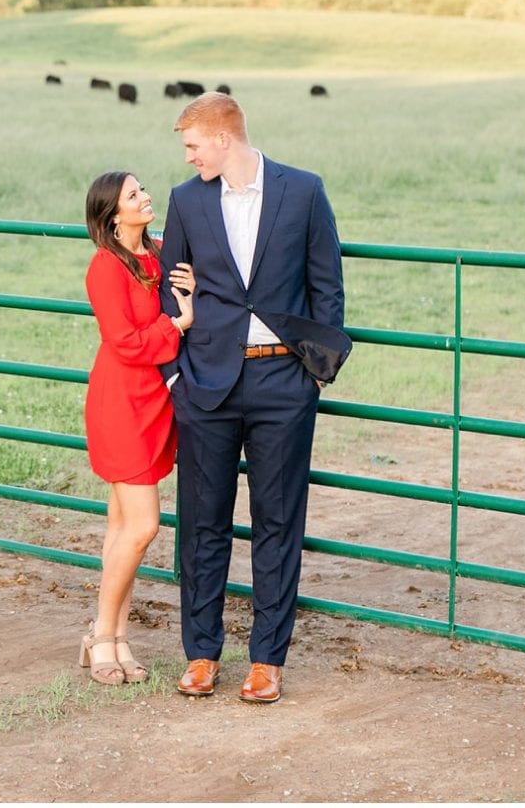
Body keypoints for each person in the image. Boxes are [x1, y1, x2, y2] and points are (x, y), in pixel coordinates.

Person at [157, 93, 343, 705]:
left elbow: (326, 286)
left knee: (278, 519)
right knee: (202, 522)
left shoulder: (304, 191)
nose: (187, 159)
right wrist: (177, 376)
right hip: (205, 384)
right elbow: (170, 292)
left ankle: (267, 659)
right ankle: (201, 652)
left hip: (282, 384)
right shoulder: (187, 202)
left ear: (223, 138)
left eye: (192, 146)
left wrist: (316, 374)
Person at [79, 170, 196, 685]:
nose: (146, 197)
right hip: (122, 400)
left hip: (153, 399)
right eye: (134, 195)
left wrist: (187, 288)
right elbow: (125, 341)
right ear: (112, 214)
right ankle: (103, 633)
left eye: (143, 190)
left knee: (121, 527)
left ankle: (115, 638)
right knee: (144, 526)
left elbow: (181, 285)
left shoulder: (158, 253)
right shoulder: (105, 268)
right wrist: (177, 324)